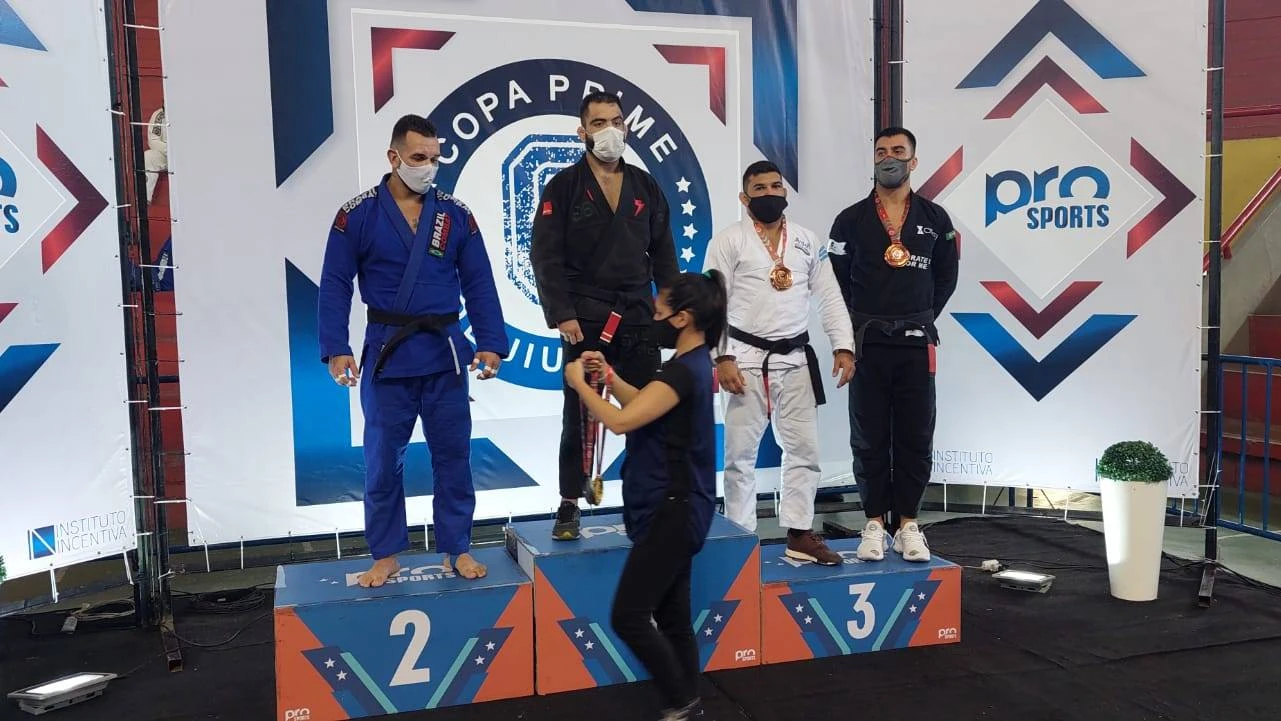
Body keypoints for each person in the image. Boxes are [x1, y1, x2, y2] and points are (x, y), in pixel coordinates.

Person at [317, 114, 509, 587]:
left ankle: (457, 548)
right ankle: (385, 554)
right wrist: (336, 347)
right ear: (394, 157)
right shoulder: (357, 215)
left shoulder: (455, 215)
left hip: (444, 353)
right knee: (383, 461)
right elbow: (335, 283)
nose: (429, 167)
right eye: (419, 158)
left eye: (435, 158)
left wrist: (490, 341)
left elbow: (479, 281)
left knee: (453, 456)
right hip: (387, 352)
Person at [564, 270, 725, 721]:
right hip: (681, 507)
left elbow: (621, 422)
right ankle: (687, 704)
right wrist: (609, 376)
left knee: (629, 615)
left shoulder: (683, 372)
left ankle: (681, 701)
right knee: (673, 619)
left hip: (673, 509)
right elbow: (644, 402)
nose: (653, 320)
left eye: (659, 312)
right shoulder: (690, 367)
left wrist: (580, 384)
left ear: (683, 318)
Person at [531, 90, 680, 541]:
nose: (610, 130)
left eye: (616, 121)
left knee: (645, 408)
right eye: (599, 123)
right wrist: (562, 313)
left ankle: (648, 499)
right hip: (585, 317)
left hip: (637, 315)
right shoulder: (563, 187)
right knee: (579, 413)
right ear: (583, 132)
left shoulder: (646, 186)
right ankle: (569, 502)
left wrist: (671, 311)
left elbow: (664, 255)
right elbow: (545, 256)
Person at [703, 161, 855, 565]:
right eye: (759, 188)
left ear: (785, 192)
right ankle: (740, 539)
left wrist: (843, 345)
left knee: (804, 451)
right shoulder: (729, 240)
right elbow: (712, 302)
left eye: (775, 186)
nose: (769, 193)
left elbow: (829, 295)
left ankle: (800, 533)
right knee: (740, 457)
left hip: (796, 359)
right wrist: (722, 357)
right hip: (744, 360)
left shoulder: (806, 240)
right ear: (744, 197)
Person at [828, 127, 959, 563]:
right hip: (867, 343)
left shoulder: (935, 219)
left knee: (915, 434)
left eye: (898, 151)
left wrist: (922, 315)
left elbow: (946, 277)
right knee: (867, 436)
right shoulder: (849, 220)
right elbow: (837, 284)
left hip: (916, 343)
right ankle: (873, 523)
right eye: (882, 151)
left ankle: (908, 524)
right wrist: (853, 329)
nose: (889, 158)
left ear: (913, 161)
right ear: (873, 160)